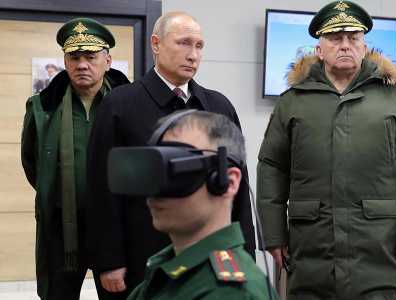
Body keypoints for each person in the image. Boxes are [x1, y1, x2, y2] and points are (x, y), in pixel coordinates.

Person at [257, 1, 396, 299]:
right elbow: (272, 167)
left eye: (353, 38)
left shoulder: (395, 99)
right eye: (335, 38)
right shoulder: (293, 102)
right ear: (319, 49)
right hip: (312, 252)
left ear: (364, 46)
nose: (345, 45)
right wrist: (274, 235)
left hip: (377, 252)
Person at [87, 11, 255, 299]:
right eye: (183, 43)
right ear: (156, 44)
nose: (193, 55)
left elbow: (236, 191)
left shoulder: (218, 107)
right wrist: (109, 261)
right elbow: (101, 190)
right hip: (141, 258)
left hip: (209, 258)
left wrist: (245, 252)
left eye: (199, 46)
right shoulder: (120, 105)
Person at [21, 17, 129, 300]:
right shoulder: (42, 107)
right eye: (74, 56)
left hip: (116, 228)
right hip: (61, 230)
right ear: (65, 61)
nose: (82, 64)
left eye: (90, 56)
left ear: (108, 61)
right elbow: (33, 165)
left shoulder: (130, 105)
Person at [124, 110, 278, 300]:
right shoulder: (168, 271)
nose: (157, 190)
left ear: (228, 183)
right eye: (154, 171)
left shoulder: (229, 293)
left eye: (176, 171)